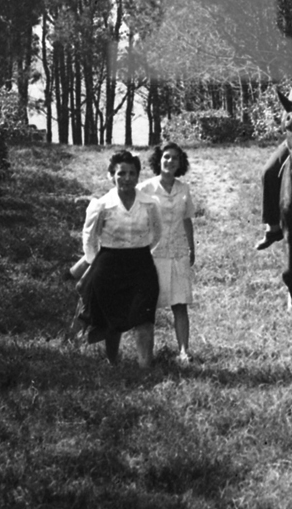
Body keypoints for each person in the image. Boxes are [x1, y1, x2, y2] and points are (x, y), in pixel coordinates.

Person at [71, 150, 161, 368]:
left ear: (138, 175)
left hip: (141, 262)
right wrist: (95, 262)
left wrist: (141, 250)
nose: (127, 178)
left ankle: (144, 367)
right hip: (109, 262)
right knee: (112, 315)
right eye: (121, 173)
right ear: (111, 175)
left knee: (144, 315)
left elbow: (157, 233)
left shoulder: (150, 204)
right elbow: (89, 237)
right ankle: (112, 361)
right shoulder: (101, 205)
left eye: (132, 173)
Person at [144, 141, 200, 364]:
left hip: (177, 252)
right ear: (159, 160)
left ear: (180, 163)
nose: (170, 161)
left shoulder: (183, 189)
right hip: (152, 253)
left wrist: (191, 247)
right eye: (166, 157)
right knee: (149, 304)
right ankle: (147, 353)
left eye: (174, 158)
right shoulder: (146, 188)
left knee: (180, 303)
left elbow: (187, 219)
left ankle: (184, 351)